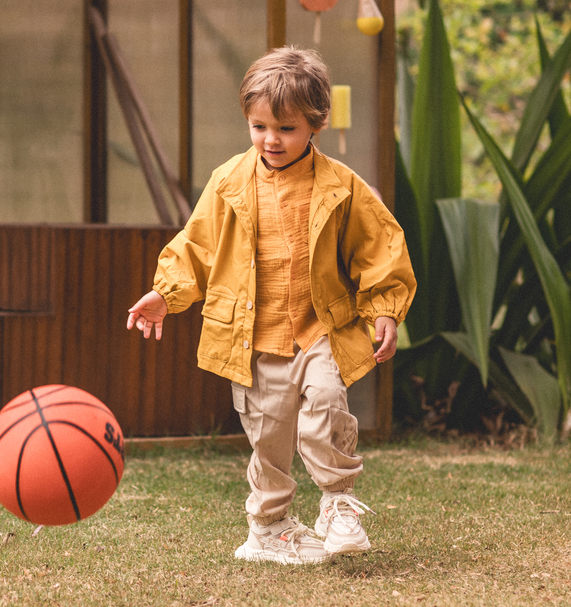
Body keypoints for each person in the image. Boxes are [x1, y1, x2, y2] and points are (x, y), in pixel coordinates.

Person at [127, 46, 416, 565]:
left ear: (316, 124)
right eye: (259, 126)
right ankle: (268, 527)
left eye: (285, 128)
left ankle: (338, 502)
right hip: (252, 340)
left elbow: (380, 248)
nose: (270, 139)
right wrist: (165, 295)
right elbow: (197, 245)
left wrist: (384, 310)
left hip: (319, 331)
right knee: (269, 439)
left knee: (326, 406)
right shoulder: (230, 182)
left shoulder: (340, 186)